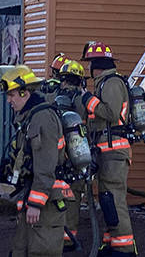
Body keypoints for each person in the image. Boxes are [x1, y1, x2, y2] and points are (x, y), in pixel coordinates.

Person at [1, 65, 74, 257]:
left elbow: (45, 165)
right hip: (35, 195)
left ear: (24, 92)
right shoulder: (31, 117)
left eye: (11, 95)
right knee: (22, 249)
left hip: (46, 203)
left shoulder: (42, 118)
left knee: (42, 251)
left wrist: (36, 203)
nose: (8, 100)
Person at [80, 43, 135, 256]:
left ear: (97, 66)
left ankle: (124, 248)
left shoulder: (111, 83)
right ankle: (111, 243)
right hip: (106, 152)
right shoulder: (104, 83)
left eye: (90, 64)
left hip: (114, 152)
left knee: (114, 199)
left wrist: (88, 100)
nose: (89, 69)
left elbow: (111, 113)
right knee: (106, 199)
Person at [56, 60, 90, 251]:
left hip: (58, 154)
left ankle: (56, 236)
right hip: (78, 153)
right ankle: (69, 239)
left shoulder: (54, 97)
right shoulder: (82, 99)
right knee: (74, 195)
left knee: (57, 194)